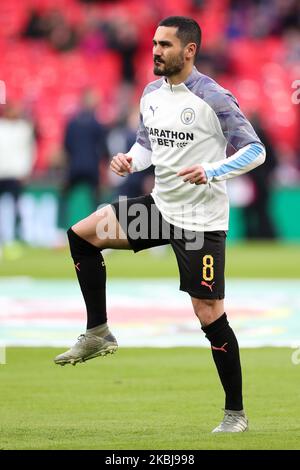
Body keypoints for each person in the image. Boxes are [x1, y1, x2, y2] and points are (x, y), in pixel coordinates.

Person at [54, 16, 266, 434]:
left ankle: (235, 414)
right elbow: (147, 145)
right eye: (154, 43)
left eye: (165, 45)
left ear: (189, 50)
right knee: (82, 235)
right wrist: (130, 160)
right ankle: (97, 332)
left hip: (199, 223)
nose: (155, 50)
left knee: (209, 316)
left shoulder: (214, 97)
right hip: (161, 209)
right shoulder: (151, 92)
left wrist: (213, 170)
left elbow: (255, 150)